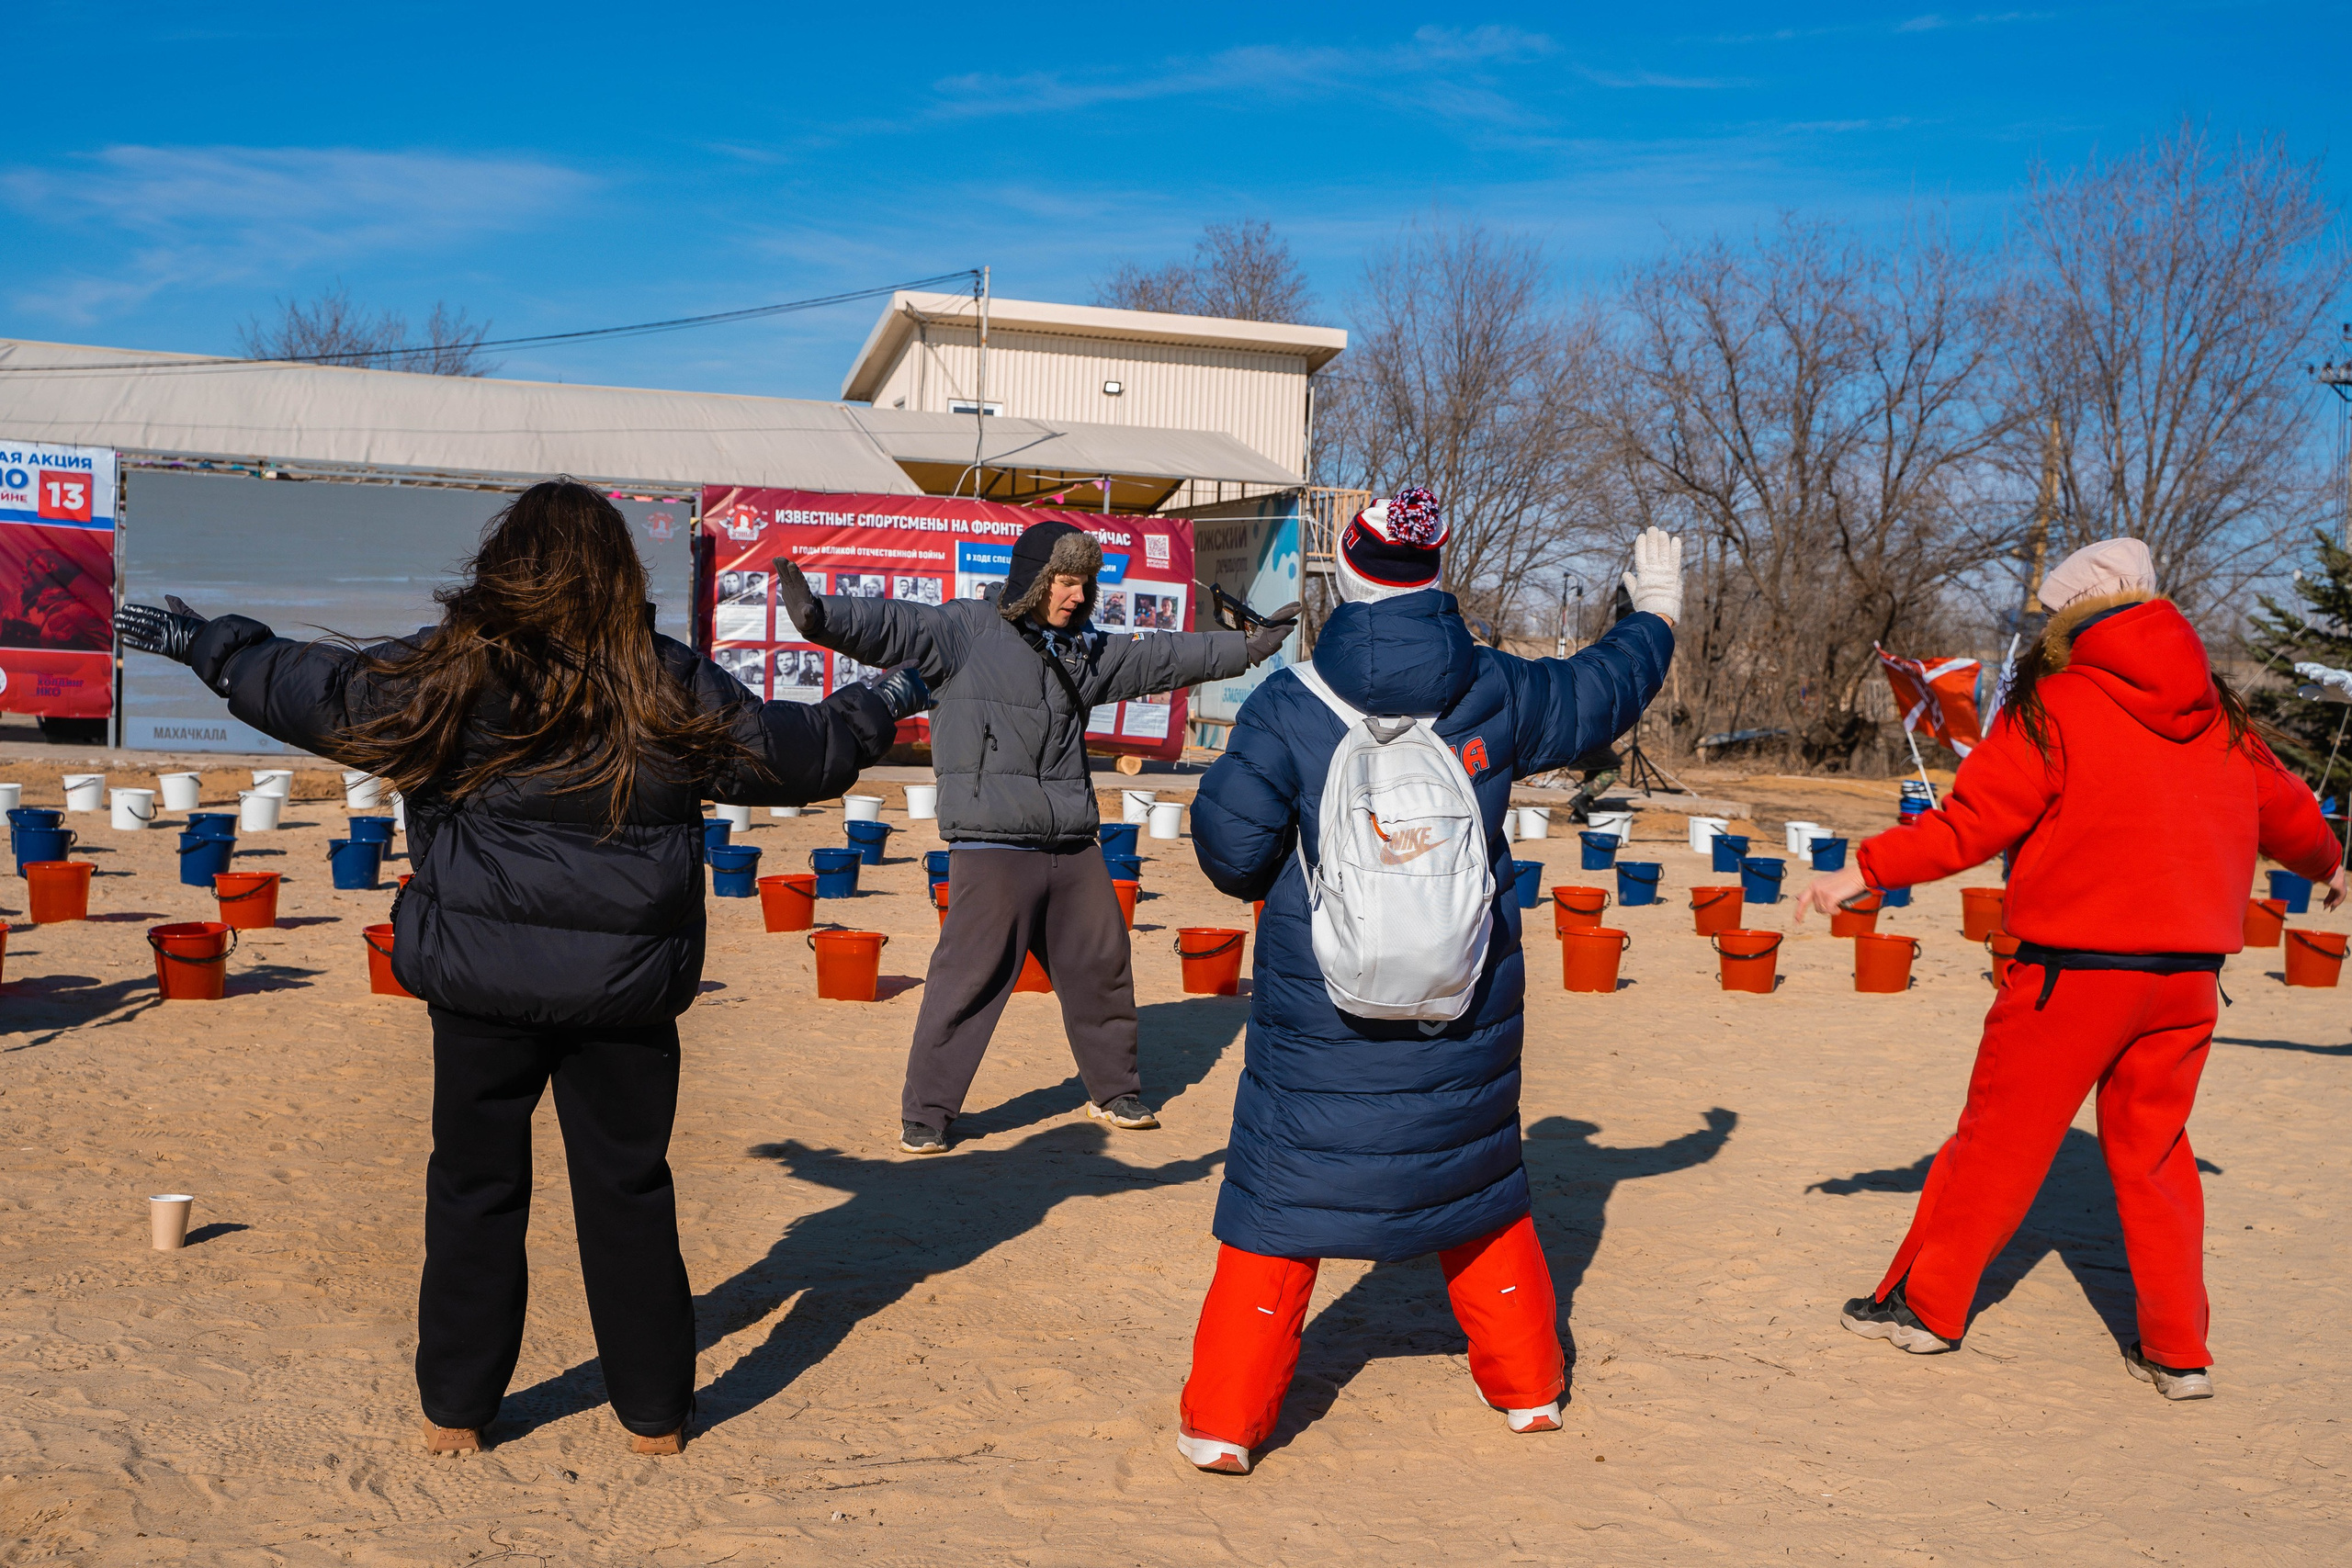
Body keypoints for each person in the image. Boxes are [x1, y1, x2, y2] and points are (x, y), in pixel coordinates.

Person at [116, 480, 930, 1456]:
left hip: (480, 986)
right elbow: (804, 755)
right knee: (627, 1192)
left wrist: (212, 646)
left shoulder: (449, 672)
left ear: (505, 565)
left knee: (473, 1190)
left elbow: (313, 691)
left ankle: (457, 1413)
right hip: (623, 997)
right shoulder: (667, 681)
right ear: (620, 574)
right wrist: (883, 699)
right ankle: (655, 1417)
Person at [1172, 489, 1681, 1473]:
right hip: (1464, 986)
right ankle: (1529, 1392)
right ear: (1434, 573)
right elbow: (1601, 689)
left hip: (1323, 995)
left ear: (1347, 575)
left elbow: (1232, 858)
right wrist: (1654, 612)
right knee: (1478, 1183)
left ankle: (1224, 1424)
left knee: (1283, 1200)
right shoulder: (1496, 689)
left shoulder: (1291, 703)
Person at [1796, 537, 2346, 1400]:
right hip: (2187, 981)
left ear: (2075, 620)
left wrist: (1862, 870)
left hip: (2070, 976)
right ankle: (2178, 1352)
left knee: (1996, 1145)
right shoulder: (2222, 715)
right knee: (2159, 1158)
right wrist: (2331, 864)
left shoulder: (2054, 706)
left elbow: (1968, 825)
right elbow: (2290, 813)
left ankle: (1931, 1310)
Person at [777, 518, 1295, 1154]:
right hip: (992, 843)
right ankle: (928, 1111)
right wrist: (821, 617)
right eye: (1067, 582)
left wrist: (1247, 648)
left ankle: (1115, 1089)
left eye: (1086, 583)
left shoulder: (1084, 653)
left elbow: (1162, 657)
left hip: (1072, 842)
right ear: (1035, 581)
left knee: (1103, 963)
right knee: (968, 978)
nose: (1078, 595)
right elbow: (892, 623)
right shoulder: (965, 630)